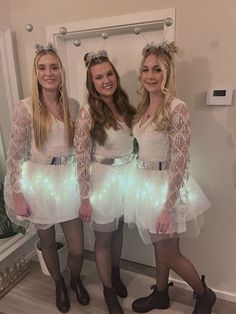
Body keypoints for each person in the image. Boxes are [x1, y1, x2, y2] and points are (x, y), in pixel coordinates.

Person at [124, 41, 216, 314]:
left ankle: (204, 294)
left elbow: (180, 160)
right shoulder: (142, 108)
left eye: (157, 70)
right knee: (158, 246)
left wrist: (167, 206)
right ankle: (161, 293)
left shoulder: (178, 107)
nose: (150, 75)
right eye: (145, 69)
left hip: (168, 187)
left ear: (167, 73)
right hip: (145, 183)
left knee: (170, 253)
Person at [4, 44, 89, 313]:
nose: (48, 73)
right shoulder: (25, 107)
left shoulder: (73, 106)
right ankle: (59, 283)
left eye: (53, 67)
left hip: (67, 181)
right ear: (36, 72)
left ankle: (75, 278)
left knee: (77, 248)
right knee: (48, 240)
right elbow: (15, 154)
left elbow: (82, 149)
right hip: (38, 181)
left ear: (61, 71)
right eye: (42, 67)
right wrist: (17, 193)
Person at [74, 50, 136, 314]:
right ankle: (109, 292)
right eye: (98, 77)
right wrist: (85, 197)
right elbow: (80, 157)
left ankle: (116, 273)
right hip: (102, 179)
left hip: (127, 177)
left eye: (109, 74)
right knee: (102, 239)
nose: (106, 80)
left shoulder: (127, 106)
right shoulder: (88, 113)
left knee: (119, 230)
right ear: (92, 83)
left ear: (115, 76)